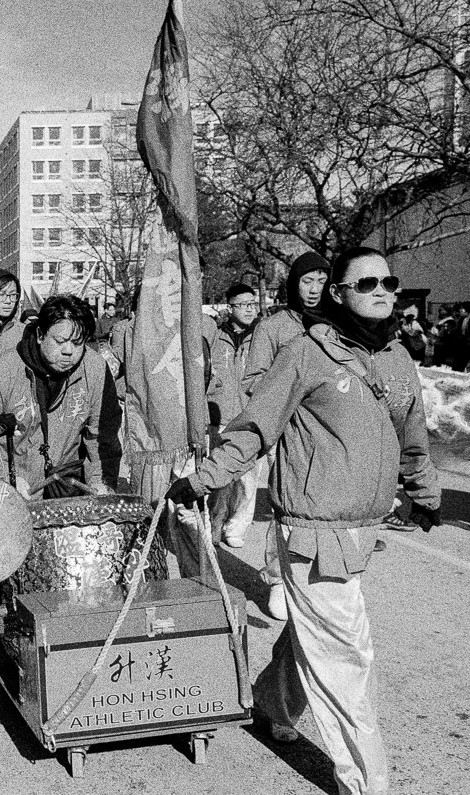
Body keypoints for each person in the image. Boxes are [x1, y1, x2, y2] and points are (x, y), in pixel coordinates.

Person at [166, 246, 440, 795]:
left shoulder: (396, 358)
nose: (383, 290)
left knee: (314, 632)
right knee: (346, 655)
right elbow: (255, 428)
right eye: (367, 284)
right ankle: (367, 782)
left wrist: (424, 491)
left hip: (363, 529)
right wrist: (204, 478)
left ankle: (272, 702)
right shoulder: (304, 354)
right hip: (312, 532)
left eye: (389, 281)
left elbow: (412, 436)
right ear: (338, 294)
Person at [241, 251, 329, 621]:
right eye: (307, 281)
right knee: (287, 507)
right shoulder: (274, 327)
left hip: (327, 432)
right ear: (293, 283)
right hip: (287, 431)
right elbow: (251, 381)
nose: (314, 289)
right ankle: (277, 578)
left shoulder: (338, 325)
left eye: (322, 281)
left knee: (324, 505)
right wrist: (288, 392)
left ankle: (317, 578)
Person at [0, 294, 121, 499]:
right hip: (17, 485)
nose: (69, 351)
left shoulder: (95, 368)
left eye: (78, 343)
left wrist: (100, 481)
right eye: (60, 341)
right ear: (40, 335)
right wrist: (6, 479)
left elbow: (102, 435)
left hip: (68, 484)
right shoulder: (2, 371)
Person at [204, 283, 259, 549]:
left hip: (249, 418)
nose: (249, 309)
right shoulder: (216, 336)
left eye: (252, 304)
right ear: (230, 308)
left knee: (248, 480)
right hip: (220, 415)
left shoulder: (262, 336)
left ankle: (236, 527)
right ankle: (214, 525)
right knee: (220, 478)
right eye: (243, 305)